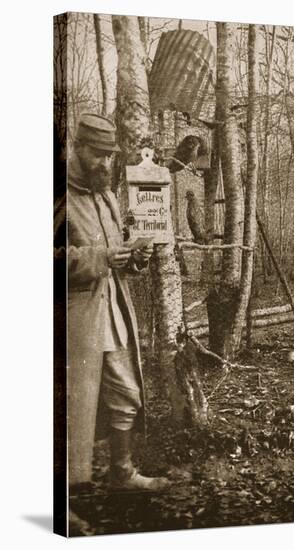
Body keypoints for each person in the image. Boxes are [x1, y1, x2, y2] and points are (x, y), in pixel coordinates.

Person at [55, 113, 171, 531]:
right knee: (68, 413)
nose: (107, 164)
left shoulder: (104, 194)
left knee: (126, 392)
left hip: (112, 308)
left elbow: (115, 248)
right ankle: (57, 503)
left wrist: (132, 257)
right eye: (100, 155)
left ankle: (121, 473)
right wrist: (101, 259)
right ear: (79, 149)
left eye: (110, 156)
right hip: (73, 319)